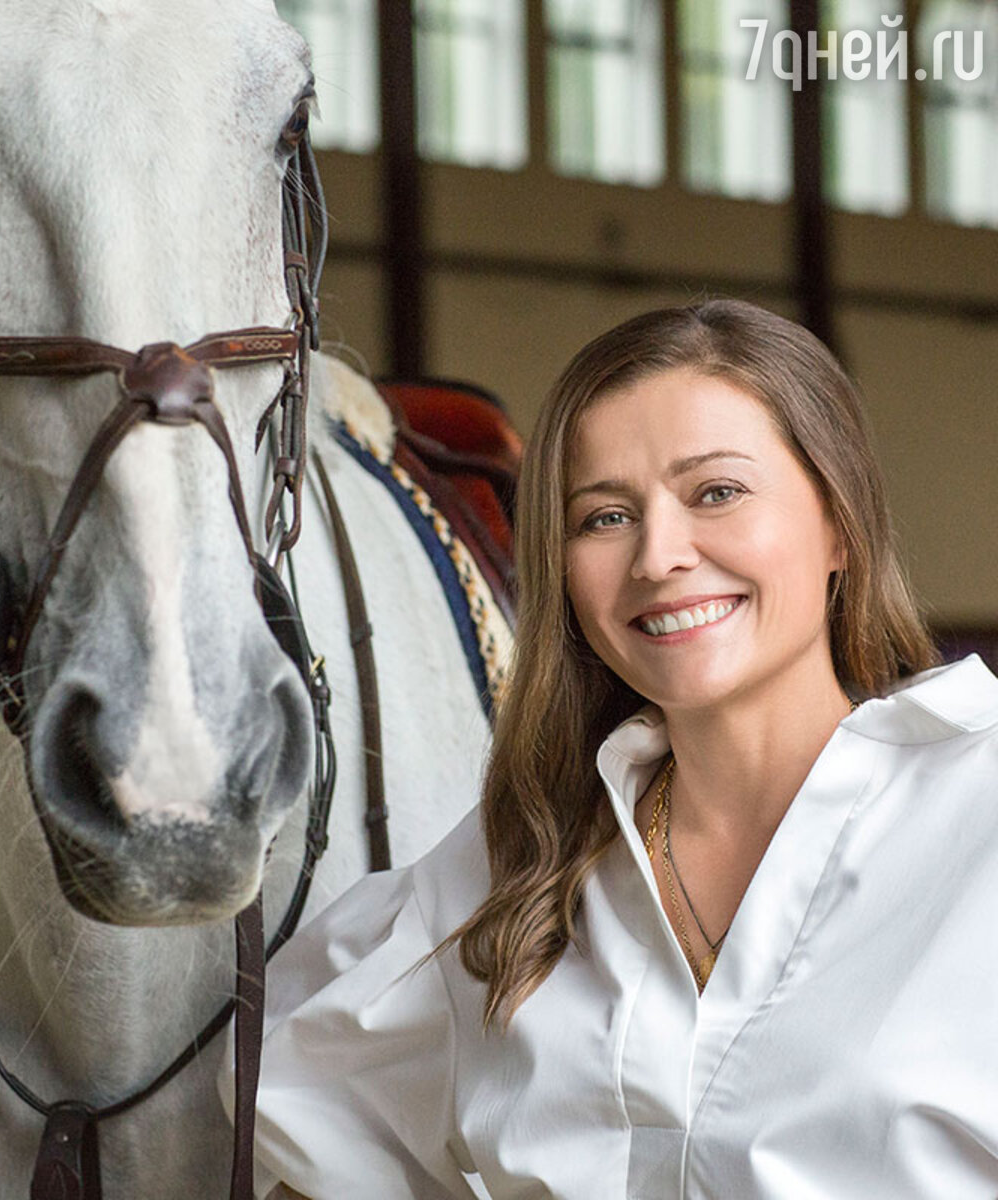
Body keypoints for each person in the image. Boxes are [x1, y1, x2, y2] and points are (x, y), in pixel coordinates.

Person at [224, 299, 998, 1199]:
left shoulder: (977, 809)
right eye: (604, 517)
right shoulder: (520, 857)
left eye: (717, 492)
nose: (658, 555)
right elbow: (295, 1090)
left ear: (838, 522)